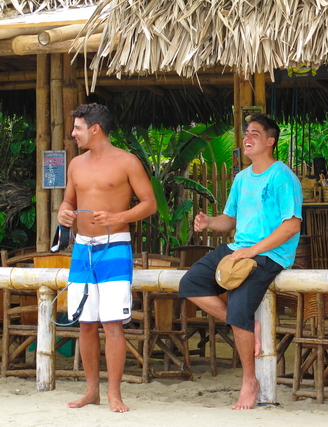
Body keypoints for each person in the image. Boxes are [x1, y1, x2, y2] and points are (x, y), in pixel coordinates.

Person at [179, 113, 302, 410]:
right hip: (239, 247)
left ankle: (250, 380)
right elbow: (230, 219)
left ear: (270, 141)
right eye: (246, 132)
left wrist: (253, 251)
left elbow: (292, 226)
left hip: (270, 254)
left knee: (238, 308)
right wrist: (209, 222)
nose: (247, 138)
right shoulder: (240, 178)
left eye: (255, 134)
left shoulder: (282, 176)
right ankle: (247, 324)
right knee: (190, 283)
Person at [57, 103, 157, 412]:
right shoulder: (75, 164)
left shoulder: (127, 161)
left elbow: (149, 204)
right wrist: (63, 212)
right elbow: (68, 202)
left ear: (95, 129)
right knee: (86, 323)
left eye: (77, 128)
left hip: (115, 247)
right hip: (82, 249)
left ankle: (114, 393)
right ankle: (92, 391)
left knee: (112, 323)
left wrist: (118, 216)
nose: (73, 133)